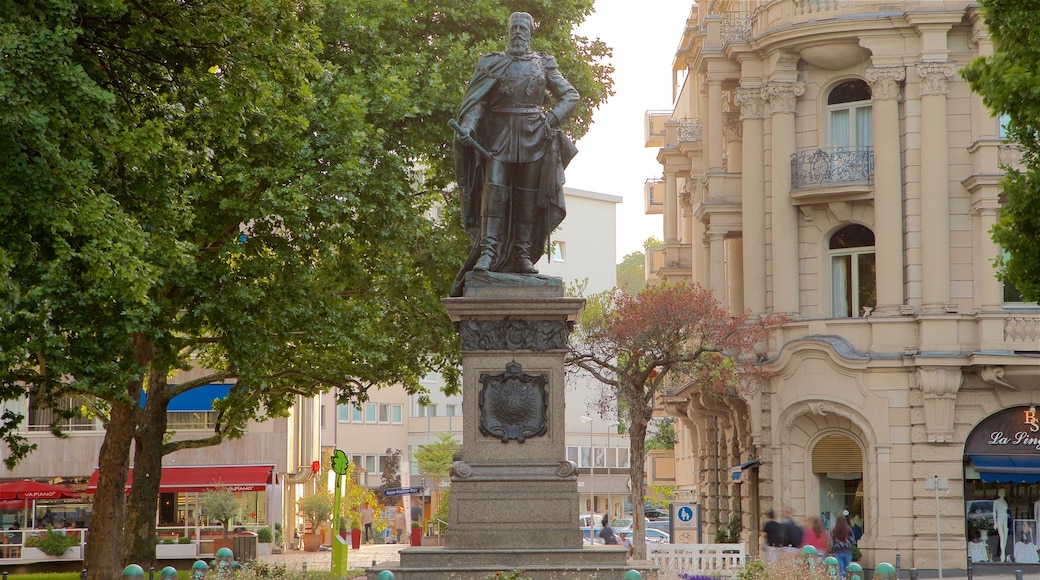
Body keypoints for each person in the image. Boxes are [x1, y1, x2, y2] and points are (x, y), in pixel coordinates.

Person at [449, 11, 580, 297]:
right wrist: (469, 126)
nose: (519, 32)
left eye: (523, 28)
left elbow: (570, 95)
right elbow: (477, 103)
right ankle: (488, 252)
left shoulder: (543, 63)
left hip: (534, 135)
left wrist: (551, 119)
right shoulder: (491, 63)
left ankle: (522, 254)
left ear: (531, 32)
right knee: (493, 192)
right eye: (514, 28)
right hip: (497, 135)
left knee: (527, 197)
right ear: (508, 31)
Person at [830, 515, 855, 579]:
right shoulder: (849, 529)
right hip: (847, 551)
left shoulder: (834, 531)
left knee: (840, 570)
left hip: (838, 552)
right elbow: (852, 540)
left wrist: (832, 551)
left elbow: (832, 543)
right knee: (847, 569)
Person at [995, 488, 1009, 562]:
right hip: (1000, 519)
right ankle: (1002, 555)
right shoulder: (996, 502)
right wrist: (995, 523)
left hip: (1005, 519)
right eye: (1001, 492)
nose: (1003, 493)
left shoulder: (1005, 502)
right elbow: (994, 513)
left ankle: (1003, 552)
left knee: (1005, 537)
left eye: (1003, 491)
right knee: (1002, 536)